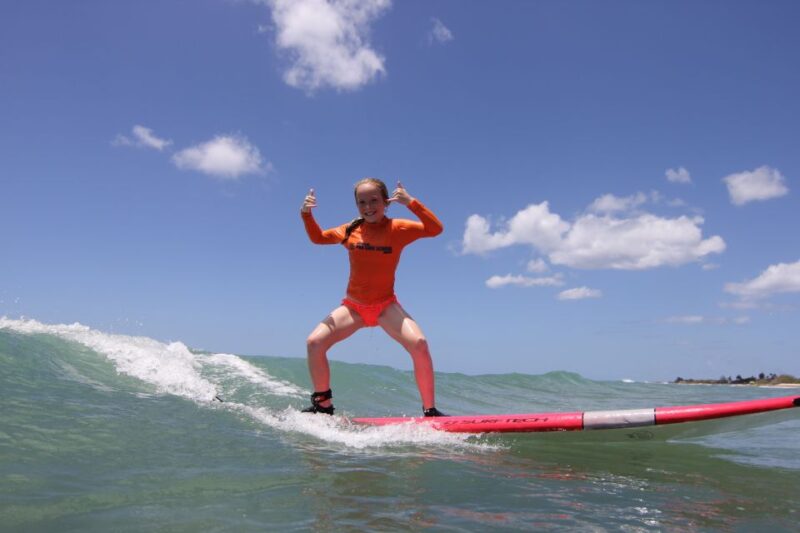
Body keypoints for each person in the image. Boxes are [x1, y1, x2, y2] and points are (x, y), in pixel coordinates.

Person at [300, 178, 446, 417]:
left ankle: (430, 411)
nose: (368, 207)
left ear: (386, 201)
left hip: (386, 307)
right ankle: (323, 406)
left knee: (419, 345)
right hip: (353, 308)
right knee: (314, 343)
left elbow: (435, 229)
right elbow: (317, 238)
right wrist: (306, 214)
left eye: (374, 201)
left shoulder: (398, 229)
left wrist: (411, 203)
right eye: (362, 202)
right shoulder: (350, 230)